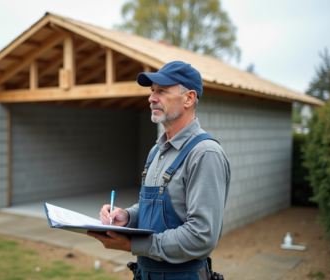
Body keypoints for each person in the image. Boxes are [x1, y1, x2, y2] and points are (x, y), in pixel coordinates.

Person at [87, 61, 231, 280]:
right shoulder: (157, 150)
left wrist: (133, 244)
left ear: (189, 98)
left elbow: (202, 236)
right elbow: (153, 208)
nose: (151, 98)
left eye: (162, 91)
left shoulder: (204, 153)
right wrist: (127, 217)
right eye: (152, 91)